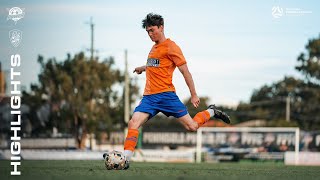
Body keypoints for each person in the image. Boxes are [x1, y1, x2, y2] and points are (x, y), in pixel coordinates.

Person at [106, 13, 230, 170]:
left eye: (152, 30)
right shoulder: (153, 48)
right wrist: (143, 68)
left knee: (192, 126)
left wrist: (193, 94)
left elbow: (185, 71)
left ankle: (212, 112)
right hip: (149, 98)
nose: (150, 34)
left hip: (166, 96)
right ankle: (126, 160)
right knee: (133, 123)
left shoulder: (172, 47)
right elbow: (157, 65)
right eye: (148, 32)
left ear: (161, 27)